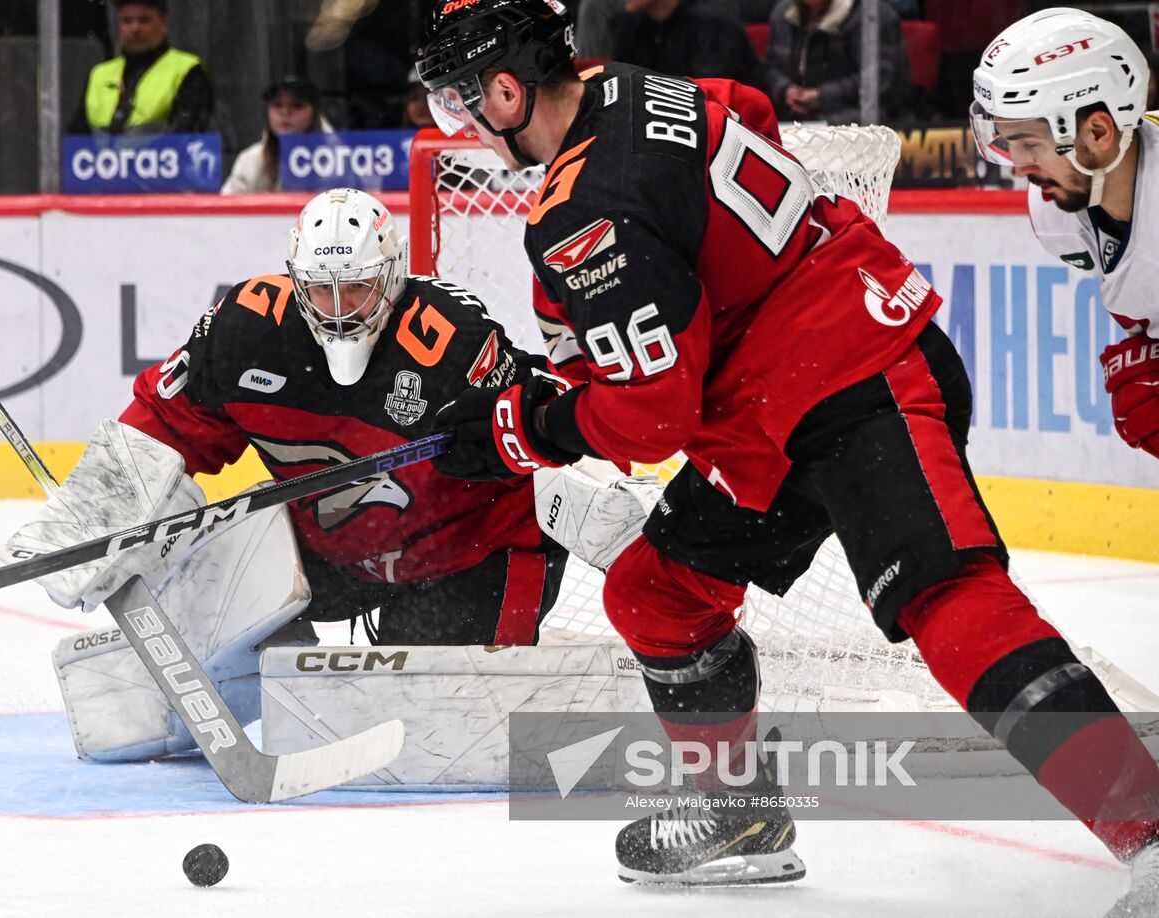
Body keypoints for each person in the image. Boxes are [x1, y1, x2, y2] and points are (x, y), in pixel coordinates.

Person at [415, 0, 1159, 907]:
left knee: (947, 598)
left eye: (459, 104)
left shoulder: (583, 207)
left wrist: (524, 427)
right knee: (657, 590)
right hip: (769, 407)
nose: (461, 129)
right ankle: (740, 816)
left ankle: (1150, 826)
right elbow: (749, 114)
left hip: (858, 373)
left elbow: (649, 420)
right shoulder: (634, 87)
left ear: (504, 89)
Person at [0, 188, 570, 762]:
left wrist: (512, 432)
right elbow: (167, 417)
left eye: (357, 285)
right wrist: (101, 514)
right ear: (297, 277)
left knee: (434, 744)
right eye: (323, 287)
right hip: (330, 549)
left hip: (468, 556)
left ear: (392, 277)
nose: (340, 306)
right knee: (217, 570)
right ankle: (172, 706)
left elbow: (546, 419)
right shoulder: (249, 328)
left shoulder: (451, 340)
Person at [972, 14, 1158, 464]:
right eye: (1005, 142)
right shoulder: (1056, 218)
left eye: (1029, 144)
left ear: (1098, 132)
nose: (1017, 166)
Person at [68, 0, 215, 136]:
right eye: (127, 21)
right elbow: (75, 139)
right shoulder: (99, 74)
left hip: (159, 162)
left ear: (164, 23)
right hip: (101, 162)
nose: (135, 28)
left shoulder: (186, 70)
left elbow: (189, 137)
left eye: (144, 20)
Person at [763, 0, 910, 123]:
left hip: (855, 117)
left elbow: (879, 81)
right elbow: (769, 69)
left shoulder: (873, 16)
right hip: (794, 117)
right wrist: (785, 90)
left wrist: (821, 96)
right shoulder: (781, 13)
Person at [220, 75, 333, 194]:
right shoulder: (250, 159)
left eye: (297, 105)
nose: (285, 112)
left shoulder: (338, 160)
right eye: (277, 105)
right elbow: (227, 207)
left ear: (314, 114)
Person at [614, 0, 762, 88]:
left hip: (730, 128)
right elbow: (618, 83)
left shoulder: (713, 21)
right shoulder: (631, 23)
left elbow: (707, 93)